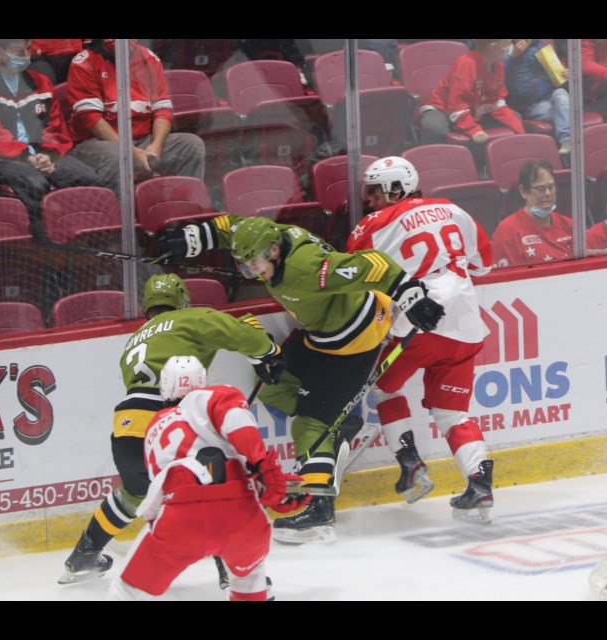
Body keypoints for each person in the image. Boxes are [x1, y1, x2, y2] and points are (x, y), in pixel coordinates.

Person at [152, 214, 446, 543]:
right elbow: (230, 227)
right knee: (273, 388)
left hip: (354, 340)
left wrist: (411, 296)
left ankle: (318, 507)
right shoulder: (267, 235)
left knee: (309, 425)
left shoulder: (308, 267)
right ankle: (340, 422)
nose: (249, 272)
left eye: (254, 264)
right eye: (243, 265)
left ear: (275, 250)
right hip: (321, 334)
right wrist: (191, 241)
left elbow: (373, 264)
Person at [59, 273, 285, 584]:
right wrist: (267, 352)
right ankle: (231, 574)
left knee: (133, 494)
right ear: (181, 300)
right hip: (168, 418)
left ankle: (82, 556)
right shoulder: (191, 318)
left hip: (127, 426)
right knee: (211, 484)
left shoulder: (136, 338)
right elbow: (239, 334)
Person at [346, 156, 496, 523]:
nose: (369, 199)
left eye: (375, 190)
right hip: (466, 327)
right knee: (453, 413)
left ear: (395, 188)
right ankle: (479, 483)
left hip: (419, 327)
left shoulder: (372, 226)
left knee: (384, 386)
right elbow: (484, 263)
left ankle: (410, 463)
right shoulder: (451, 208)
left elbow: (350, 279)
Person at [106, 356, 309, 601]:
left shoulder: (154, 428)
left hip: (180, 522)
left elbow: (164, 485)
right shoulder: (216, 395)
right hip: (241, 520)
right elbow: (240, 430)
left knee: (126, 590)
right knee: (250, 580)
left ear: (165, 387)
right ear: (203, 380)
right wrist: (276, 477)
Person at [66, 39, 206, 193]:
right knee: (116, 156)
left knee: (191, 145)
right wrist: (131, 151)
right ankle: (117, 214)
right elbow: (91, 119)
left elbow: (162, 109)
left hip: (143, 140)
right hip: (98, 143)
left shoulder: (149, 58)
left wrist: (156, 146)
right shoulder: (84, 63)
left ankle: (182, 208)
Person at [0, 38, 100, 236]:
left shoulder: (40, 82)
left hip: (41, 156)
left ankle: (85, 234)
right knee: (34, 182)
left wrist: (48, 154)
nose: (25, 56)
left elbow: (55, 127)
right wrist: (27, 156)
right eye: (18, 50)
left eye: (28, 49)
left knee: (86, 175)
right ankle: (42, 239)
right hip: (6, 158)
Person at [417, 39, 525, 146]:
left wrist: (521, 133)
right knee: (434, 127)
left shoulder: (498, 65)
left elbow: (497, 103)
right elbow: (456, 105)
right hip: (443, 109)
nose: (511, 46)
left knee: (516, 118)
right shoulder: (466, 63)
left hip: (475, 110)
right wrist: (473, 129)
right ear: (494, 47)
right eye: (508, 43)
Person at [491, 159, 573, 267]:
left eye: (551, 187)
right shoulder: (507, 232)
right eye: (540, 188)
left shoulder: (569, 224)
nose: (548, 193)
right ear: (523, 191)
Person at [504, 39, 571, 154]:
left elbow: (558, 77)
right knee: (561, 110)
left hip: (550, 95)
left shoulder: (540, 46)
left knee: (561, 94)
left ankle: (567, 141)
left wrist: (564, 73)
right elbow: (495, 73)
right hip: (530, 105)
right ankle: (565, 127)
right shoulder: (504, 49)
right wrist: (513, 55)